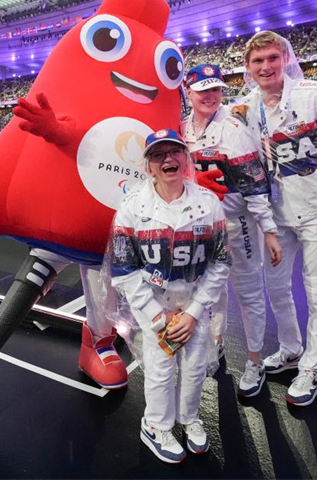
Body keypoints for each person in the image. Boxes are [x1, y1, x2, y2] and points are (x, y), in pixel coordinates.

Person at [233, 30, 317, 406]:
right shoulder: (245, 108)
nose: (266, 67)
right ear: (247, 67)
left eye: (272, 58)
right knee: (276, 289)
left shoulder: (316, 94)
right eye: (257, 61)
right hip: (275, 220)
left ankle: (312, 367)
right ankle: (292, 349)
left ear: (285, 59)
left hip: (316, 216)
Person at [110, 129, 230, 463]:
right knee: (161, 371)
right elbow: (123, 270)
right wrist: (156, 316)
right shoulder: (131, 209)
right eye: (158, 155)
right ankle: (156, 426)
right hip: (156, 310)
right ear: (148, 167)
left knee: (194, 368)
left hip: (195, 305)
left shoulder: (208, 204)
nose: (168, 160)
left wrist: (193, 312)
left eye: (174, 152)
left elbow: (221, 262)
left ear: (186, 158)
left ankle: (189, 419)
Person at [181, 63, 282, 397]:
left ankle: (254, 360)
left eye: (216, 89)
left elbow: (254, 185)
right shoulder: (182, 129)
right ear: (188, 91)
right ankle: (216, 342)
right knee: (209, 291)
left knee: (248, 292)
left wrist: (268, 229)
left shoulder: (233, 129)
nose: (211, 96)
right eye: (203, 89)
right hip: (201, 225)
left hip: (236, 223)